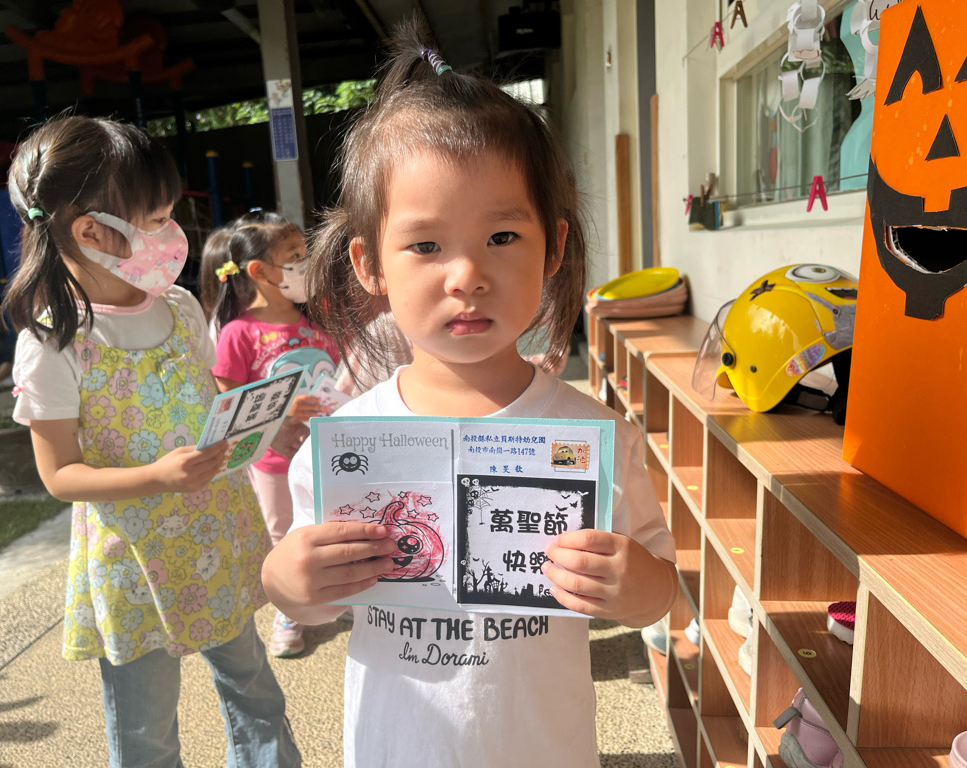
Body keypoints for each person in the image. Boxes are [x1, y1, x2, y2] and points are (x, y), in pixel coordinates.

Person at [261, 21, 678, 768]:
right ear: (370, 263)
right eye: (425, 245)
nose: (466, 277)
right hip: (398, 749)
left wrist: (632, 585)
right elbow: (305, 597)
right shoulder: (348, 443)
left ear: (553, 246)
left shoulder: (594, 437)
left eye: (502, 238)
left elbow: (657, 591)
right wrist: (288, 581)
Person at [2, 116, 300, 768]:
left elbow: (207, 393)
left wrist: (264, 419)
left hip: (215, 534)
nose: (173, 233)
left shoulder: (180, 308)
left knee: (254, 690)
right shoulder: (54, 342)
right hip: (134, 566)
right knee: (146, 731)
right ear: (91, 231)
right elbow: (61, 475)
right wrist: (158, 477)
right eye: (158, 218)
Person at [201, 210, 340, 658]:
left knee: (332, 523)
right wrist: (283, 413)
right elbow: (229, 402)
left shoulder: (319, 322)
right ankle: (288, 609)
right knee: (283, 533)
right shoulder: (238, 333)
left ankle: (336, 594)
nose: (306, 263)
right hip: (274, 459)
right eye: (295, 257)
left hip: (328, 451)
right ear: (260, 271)